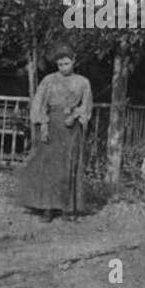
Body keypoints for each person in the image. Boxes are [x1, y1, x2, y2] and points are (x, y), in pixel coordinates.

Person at [18, 45, 93, 218]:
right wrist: (43, 125)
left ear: (73, 61)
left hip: (71, 128)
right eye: (60, 64)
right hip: (52, 125)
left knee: (68, 165)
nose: (63, 68)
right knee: (49, 166)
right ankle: (47, 207)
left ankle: (67, 208)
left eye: (66, 63)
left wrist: (75, 116)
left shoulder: (83, 82)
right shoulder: (49, 80)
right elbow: (40, 103)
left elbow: (86, 106)